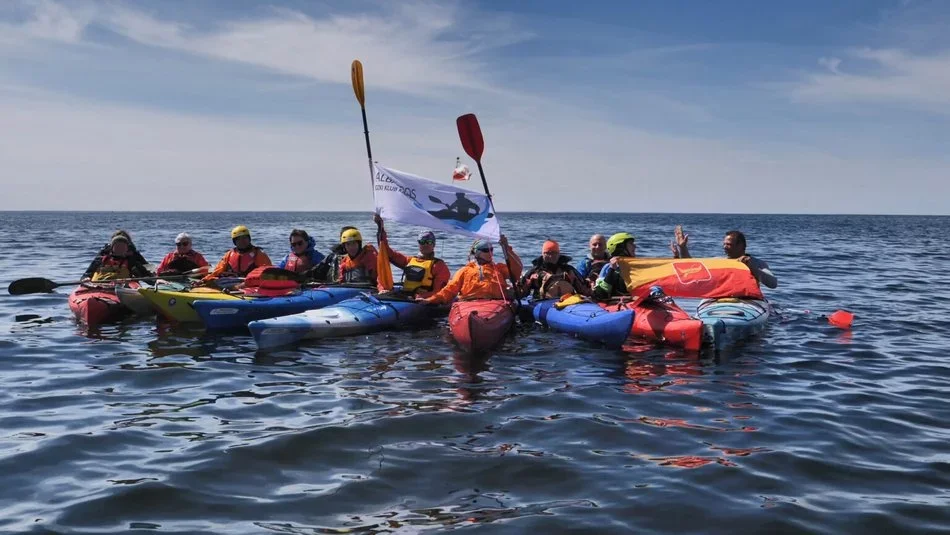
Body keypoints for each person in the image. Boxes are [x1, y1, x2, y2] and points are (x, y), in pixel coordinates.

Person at [420, 236, 523, 305]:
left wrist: (506, 248)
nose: (490, 252)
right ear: (477, 252)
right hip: (469, 304)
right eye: (486, 250)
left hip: (495, 304)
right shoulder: (464, 271)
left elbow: (517, 270)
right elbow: (449, 290)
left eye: (491, 249)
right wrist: (430, 300)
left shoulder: (499, 268)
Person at [673, 228, 777, 289]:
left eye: (728, 244)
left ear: (741, 246)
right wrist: (682, 248)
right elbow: (692, 267)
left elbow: (773, 284)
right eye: (724, 244)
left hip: (748, 300)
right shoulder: (719, 262)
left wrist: (750, 266)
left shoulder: (757, 263)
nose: (724, 247)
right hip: (722, 299)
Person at [374, 215, 450, 298]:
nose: (425, 244)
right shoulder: (409, 261)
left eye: (429, 242)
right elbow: (386, 252)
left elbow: (439, 292)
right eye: (422, 242)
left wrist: (423, 297)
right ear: (419, 244)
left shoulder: (439, 266)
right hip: (406, 296)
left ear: (434, 244)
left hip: (423, 300)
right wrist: (380, 227)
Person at [519, 240, 589, 299]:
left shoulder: (569, 270)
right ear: (542, 254)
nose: (550, 256)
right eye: (547, 253)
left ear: (559, 254)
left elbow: (584, 290)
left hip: (567, 303)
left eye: (554, 253)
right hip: (542, 302)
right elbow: (521, 292)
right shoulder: (534, 272)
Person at [202, 225, 272, 282]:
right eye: (239, 239)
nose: (242, 241)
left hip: (251, 284)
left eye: (245, 238)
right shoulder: (229, 254)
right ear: (235, 242)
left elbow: (268, 273)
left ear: (249, 239)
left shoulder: (259, 254)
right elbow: (218, 270)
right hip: (231, 282)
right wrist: (205, 279)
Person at [82, 231, 153, 282]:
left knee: (136, 270)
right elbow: (88, 273)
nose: (120, 247)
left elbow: (146, 269)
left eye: (123, 244)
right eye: (117, 244)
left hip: (124, 282)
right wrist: (86, 278)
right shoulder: (103, 255)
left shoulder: (133, 256)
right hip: (104, 282)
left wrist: (155, 278)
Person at [592, 232, 637, 302]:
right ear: (620, 247)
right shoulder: (608, 268)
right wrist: (612, 270)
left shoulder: (637, 266)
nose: (635, 246)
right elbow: (600, 294)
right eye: (631, 244)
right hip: (618, 304)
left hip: (638, 302)